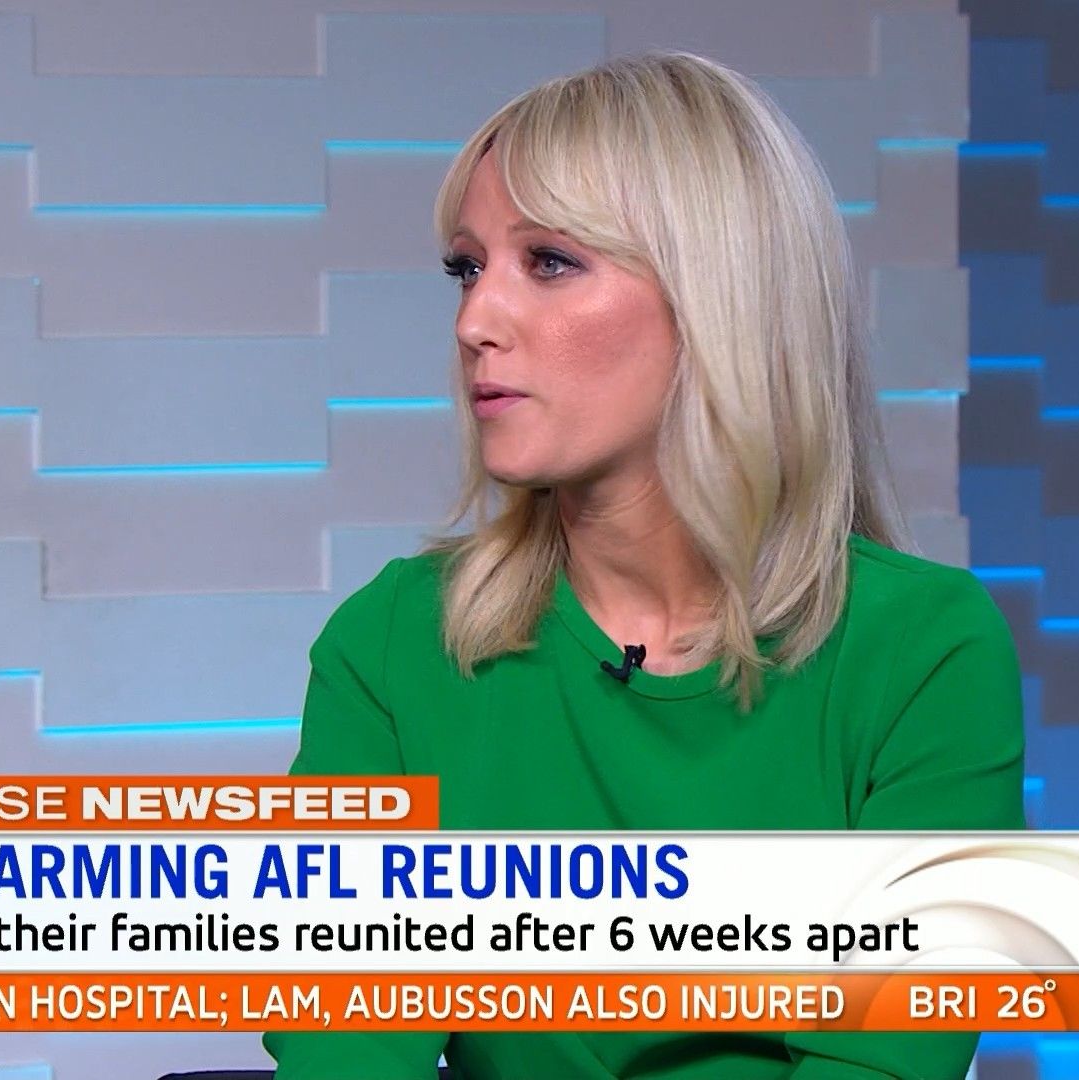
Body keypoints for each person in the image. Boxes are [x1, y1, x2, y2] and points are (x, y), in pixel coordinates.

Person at [264, 48, 1025, 1080]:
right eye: (467, 268)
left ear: (719, 296)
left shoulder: (924, 653)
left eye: (548, 261)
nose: (475, 321)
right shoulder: (395, 646)